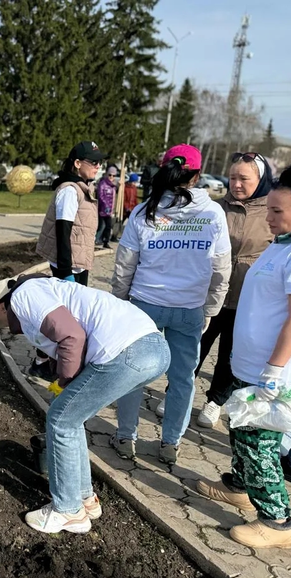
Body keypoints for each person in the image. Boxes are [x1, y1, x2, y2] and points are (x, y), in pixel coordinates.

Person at [0, 274, 169, 534]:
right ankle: (85, 499)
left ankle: (68, 511)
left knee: (61, 421)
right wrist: (63, 380)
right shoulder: (46, 290)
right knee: (72, 417)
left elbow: (72, 336)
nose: (4, 326)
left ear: (0, 306)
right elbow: (66, 339)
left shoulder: (23, 295)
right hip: (152, 349)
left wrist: (65, 382)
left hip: (127, 350)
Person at [197, 152, 291, 549]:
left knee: (259, 444)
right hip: (251, 366)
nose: (269, 217)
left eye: (277, 211)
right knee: (241, 429)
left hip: (274, 373)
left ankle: (277, 522)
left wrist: (273, 372)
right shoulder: (285, 243)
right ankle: (239, 487)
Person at [110, 144, 231, 465]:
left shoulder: (144, 210)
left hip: (144, 305)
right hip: (189, 308)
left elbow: (124, 264)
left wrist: (120, 300)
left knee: (133, 373)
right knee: (183, 378)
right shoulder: (213, 213)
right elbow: (221, 268)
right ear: (197, 175)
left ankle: (125, 436)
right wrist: (211, 308)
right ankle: (170, 443)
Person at [194, 152, 274, 428]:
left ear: (261, 180)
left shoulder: (271, 211)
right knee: (195, 345)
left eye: (244, 179)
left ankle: (215, 401)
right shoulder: (216, 208)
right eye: (232, 178)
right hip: (210, 292)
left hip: (247, 297)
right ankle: (178, 390)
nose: (236, 184)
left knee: (230, 353)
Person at [32, 141, 106, 383]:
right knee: (63, 319)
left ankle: (48, 361)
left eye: (100, 162)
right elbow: (63, 231)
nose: (98, 166)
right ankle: (42, 363)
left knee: (68, 318)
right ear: (77, 163)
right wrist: (65, 273)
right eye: (93, 162)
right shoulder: (69, 191)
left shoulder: (82, 188)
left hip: (78, 263)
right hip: (68, 266)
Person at [96, 166, 117, 248]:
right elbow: (100, 196)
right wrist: (105, 206)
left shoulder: (113, 186)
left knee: (108, 226)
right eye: (110, 175)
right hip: (102, 208)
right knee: (101, 225)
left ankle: (105, 241)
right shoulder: (103, 184)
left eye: (113, 175)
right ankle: (96, 239)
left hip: (109, 209)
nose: (111, 177)